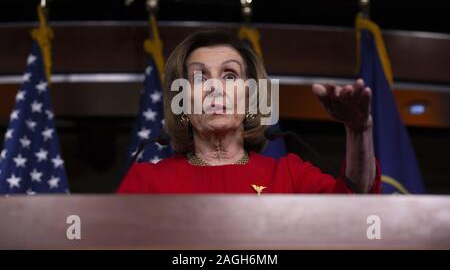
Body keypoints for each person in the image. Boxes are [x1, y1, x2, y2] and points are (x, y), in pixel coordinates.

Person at [118, 29, 381, 194]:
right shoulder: (147, 182)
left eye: (230, 76)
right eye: (199, 78)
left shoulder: (290, 176)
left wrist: (359, 131)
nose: (215, 87)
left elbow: (356, 204)